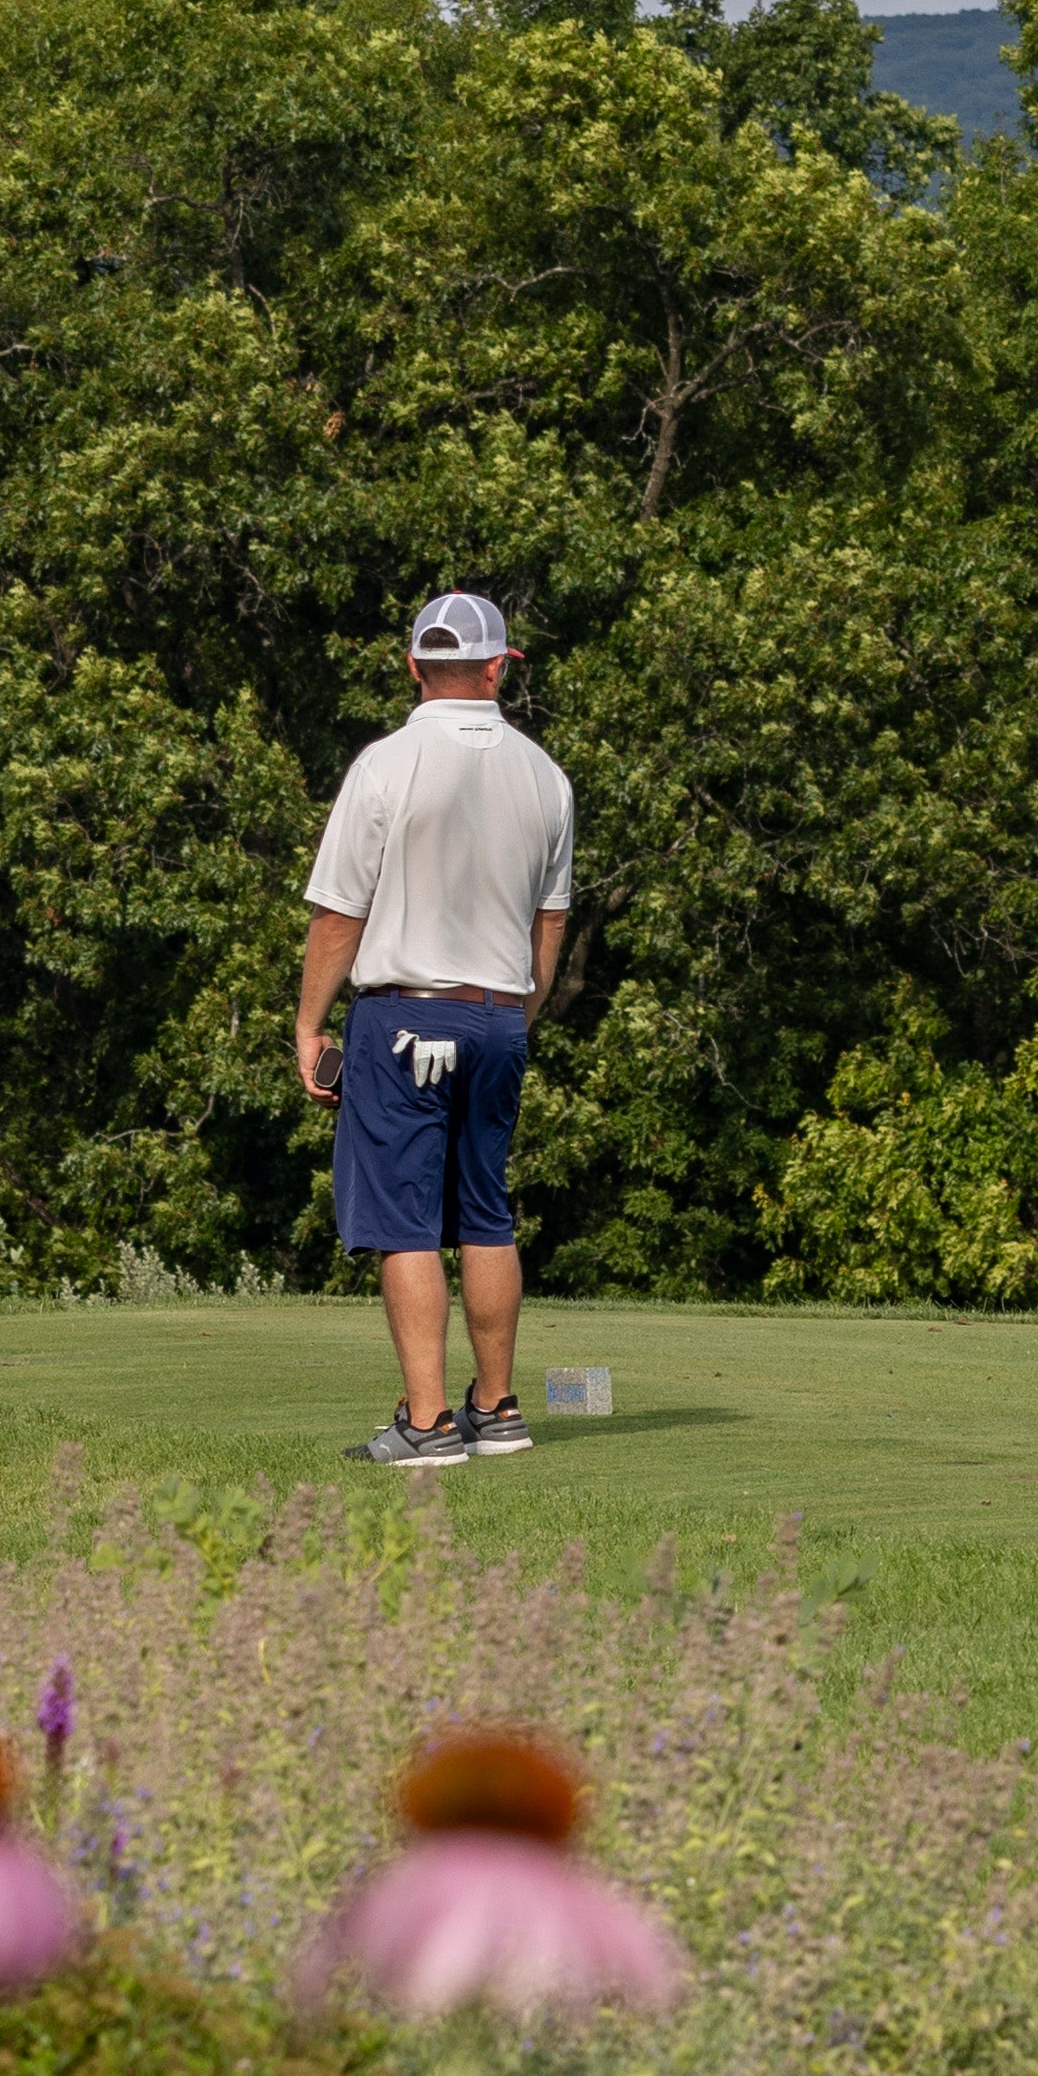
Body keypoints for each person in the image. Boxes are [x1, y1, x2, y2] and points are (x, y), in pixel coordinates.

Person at [293, 590, 575, 1468]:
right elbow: (549, 925)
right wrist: (516, 1018)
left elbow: (339, 915)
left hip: (404, 1016)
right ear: (499, 668)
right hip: (499, 1015)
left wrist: (309, 1024)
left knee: (404, 1221)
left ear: (413, 666)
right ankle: (497, 1409)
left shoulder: (383, 765)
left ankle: (426, 1425)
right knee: (486, 1212)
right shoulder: (546, 776)